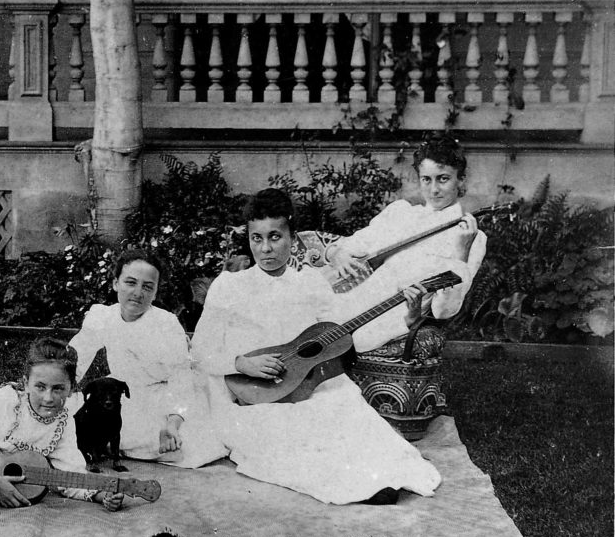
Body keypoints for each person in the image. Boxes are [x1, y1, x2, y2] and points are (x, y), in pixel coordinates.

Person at [163, 188, 442, 505]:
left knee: (344, 411)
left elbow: (347, 336)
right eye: (257, 239)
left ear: (292, 238)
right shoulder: (230, 285)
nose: (266, 248)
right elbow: (200, 351)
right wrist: (241, 363)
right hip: (252, 395)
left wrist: (407, 317)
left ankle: (379, 476)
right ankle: (355, 485)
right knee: (291, 435)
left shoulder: (310, 283)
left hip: (305, 385)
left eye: (275, 237)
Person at [325, 135, 487, 346]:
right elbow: (350, 245)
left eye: (443, 178)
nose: (434, 189)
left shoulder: (471, 238)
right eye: (426, 179)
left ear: (461, 180)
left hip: (391, 317)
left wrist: (461, 253)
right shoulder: (402, 213)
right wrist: (336, 253)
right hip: (354, 298)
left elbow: (445, 310)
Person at [0, 336, 126, 511]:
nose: (48, 398)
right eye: (40, 387)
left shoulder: (62, 422)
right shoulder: (4, 401)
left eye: (58, 388)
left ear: (71, 390)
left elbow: (70, 475)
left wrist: (103, 495)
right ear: (26, 383)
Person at [67, 249, 192, 459]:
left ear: (155, 291)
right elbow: (76, 359)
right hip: (118, 396)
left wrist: (173, 422)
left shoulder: (166, 324)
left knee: (170, 441)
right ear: (116, 283)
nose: (138, 292)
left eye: (147, 287)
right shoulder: (102, 317)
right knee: (71, 415)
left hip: (160, 398)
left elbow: (181, 379)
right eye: (131, 283)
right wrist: (60, 386)